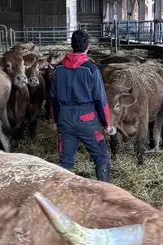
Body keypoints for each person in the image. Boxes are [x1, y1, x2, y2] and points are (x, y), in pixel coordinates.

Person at [50, 29, 116, 182]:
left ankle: (60, 195)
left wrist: (55, 121)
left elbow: (53, 98)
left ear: (72, 45)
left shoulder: (58, 69)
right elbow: (100, 100)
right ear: (89, 46)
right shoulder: (91, 69)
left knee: (65, 162)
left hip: (64, 119)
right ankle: (106, 193)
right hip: (87, 119)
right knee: (101, 157)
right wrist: (106, 124)